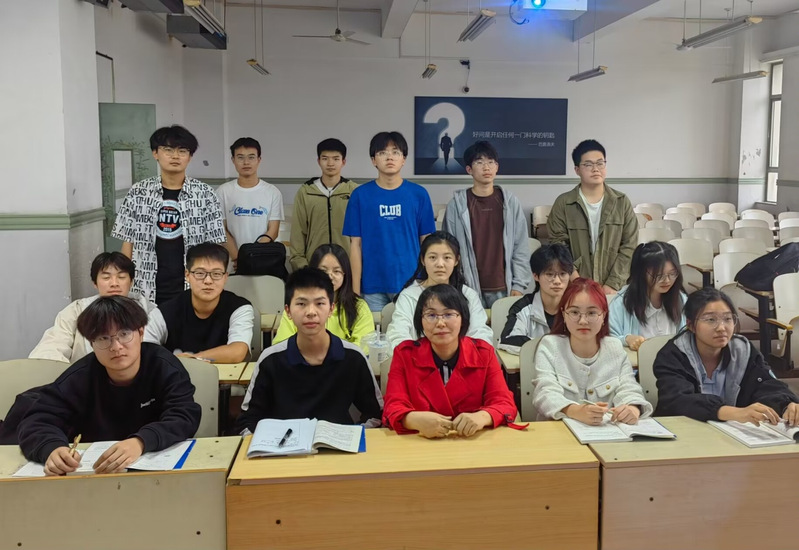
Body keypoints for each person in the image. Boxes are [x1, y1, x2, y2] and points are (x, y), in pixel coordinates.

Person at [17, 296, 201, 476]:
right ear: (91, 343)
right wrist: (52, 448)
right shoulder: (80, 376)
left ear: (141, 333)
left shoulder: (164, 366)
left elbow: (184, 415)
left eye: (124, 334)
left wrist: (141, 442)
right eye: (103, 338)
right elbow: (37, 420)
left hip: (155, 474)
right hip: (94, 475)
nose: (116, 346)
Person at [235, 268, 383, 434]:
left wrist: (353, 435)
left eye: (320, 303)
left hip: (337, 444)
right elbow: (247, 422)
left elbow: (375, 415)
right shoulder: (271, 359)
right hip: (284, 445)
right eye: (301, 304)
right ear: (288, 311)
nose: (311, 312)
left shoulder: (353, 357)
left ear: (331, 309)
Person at [383, 284, 517, 437]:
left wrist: (483, 417)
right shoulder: (404, 354)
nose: (440, 323)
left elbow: (504, 403)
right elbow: (392, 406)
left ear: (463, 318)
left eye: (448, 314)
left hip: (472, 441)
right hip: (421, 442)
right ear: (420, 321)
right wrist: (413, 420)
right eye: (431, 315)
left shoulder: (483, 353)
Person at [112, 125, 226, 305]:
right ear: (155, 153)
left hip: (192, 285)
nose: (175, 156)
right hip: (145, 284)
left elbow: (215, 246)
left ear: (190, 156)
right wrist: (124, 280)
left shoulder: (205, 194)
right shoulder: (138, 192)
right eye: (168, 150)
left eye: (182, 151)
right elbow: (128, 242)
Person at [653, 287, 799, 426]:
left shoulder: (743, 350)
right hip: (684, 432)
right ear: (690, 325)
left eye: (728, 319)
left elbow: (767, 384)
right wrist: (733, 413)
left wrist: (786, 404)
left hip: (734, 434)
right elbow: (677, 401)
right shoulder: (673, 355)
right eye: (711, 320)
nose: (721, 328)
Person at [532, 278, 652, 424]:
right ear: (563, 314)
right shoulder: (550, 346)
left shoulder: (614, 347)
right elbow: (545, 392)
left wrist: (632, 408)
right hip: (559, 430)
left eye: (591, 313)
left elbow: (629, 387)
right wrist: (574, 411)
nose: (583, 321)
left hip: (607, 431)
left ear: (604, 315)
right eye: (574, 312)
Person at [343, 131, 436, 312]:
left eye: (395, 152)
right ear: (373, 160)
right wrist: (354, 291)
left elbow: (427, 243)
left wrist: (428, 282)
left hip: (412, 283)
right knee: (372, 330)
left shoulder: (419, 194)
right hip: (371, 286)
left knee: (412, 330)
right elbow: (355, 245)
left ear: (404, 159)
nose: (389, 157)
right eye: (382, 153)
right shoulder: (360, 195)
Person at [443, 140, 531, 308]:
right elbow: (448, 249)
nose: (486, 167)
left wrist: (519, 285)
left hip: (505, 286)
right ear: (469, 169)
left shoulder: (510, 203)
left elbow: (520, 246)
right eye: (479, 162)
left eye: (491, 162)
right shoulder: (457, 205)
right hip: (467, 287)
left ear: (497, 167)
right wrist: (456, 285)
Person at [546, 139, 637, 295]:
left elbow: (630, 246)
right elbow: (558, 245)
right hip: (575, 286)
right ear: (577, 170)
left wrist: (612, 284)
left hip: (614, 288)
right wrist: (576, 280)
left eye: (600, 163)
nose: (596, 169)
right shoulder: (564, 203)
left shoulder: (621, 202)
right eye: (588, 164)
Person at [29, 252, 156, 363]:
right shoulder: (77, 310)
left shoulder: (150, 312)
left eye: (121, 277)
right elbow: (50, 348)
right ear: (95, 283)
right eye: (106, 277)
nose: (114, 283)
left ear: (131, 281)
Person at [146, 243, 253, 363]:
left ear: (225, 277)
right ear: (187, 275)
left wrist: (193, 359)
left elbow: (237, 352)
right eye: (200, 273)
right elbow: (144, 350)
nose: (208, 281)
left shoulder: (239, 308)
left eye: (216, 274)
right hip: (176, 375)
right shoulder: (165, 312)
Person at [387, 231, 492, 350]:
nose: (440, 264)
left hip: (463, 359)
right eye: (432, 257)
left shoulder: (468, 295)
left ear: (456, 260)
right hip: (417, 359)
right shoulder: (409, 296)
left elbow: (480, 334)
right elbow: (397, 335)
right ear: (423, 260)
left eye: (447, 257)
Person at [274, 244, 374, 347]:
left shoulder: (359, 307)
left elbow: (364, 346)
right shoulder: (296, 306)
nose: (330, 276)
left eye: (336, 271)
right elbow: (281, 345)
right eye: (323, 271)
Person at [289, 138, 358, 271]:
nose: (330, 163)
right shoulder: (306, 192)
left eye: (336, 159)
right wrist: (303, 267)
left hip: (346, 268)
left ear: (343, 162)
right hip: (313, 267)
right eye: (325, 158)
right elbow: (298, 233)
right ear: (319, 161)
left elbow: (362, 235)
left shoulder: (354, 191)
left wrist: (356, 268)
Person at [216, 137, 284, 271]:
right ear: (233, 160)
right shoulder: (222, 192)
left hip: (262, 261)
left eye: (251, 157)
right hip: (232, 263)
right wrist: (238, 258)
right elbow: (221, 230)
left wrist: (252, 257)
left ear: (259, 160)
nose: (246, 162)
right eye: (240, 157)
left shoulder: (272, 192)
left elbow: (273, 231)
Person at [609, 241, 687, 351]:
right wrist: (626, 339)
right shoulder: (621, 303)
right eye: (659, 275)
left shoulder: (681, 299)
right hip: (635, 362)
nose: (667, 280)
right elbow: (607, 340)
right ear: (642, 273)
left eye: (672, 274)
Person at [499, 244, 574, 348]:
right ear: (535, 276)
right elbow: (507, 340)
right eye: (549, 274)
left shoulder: (577, 306)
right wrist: (548, 346)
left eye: (563, 274)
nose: (557, 281)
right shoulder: (522, 308)